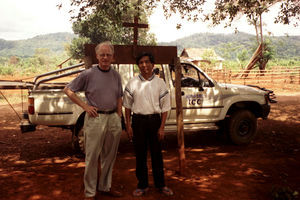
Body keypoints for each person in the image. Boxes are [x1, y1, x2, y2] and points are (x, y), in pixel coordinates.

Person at [64, 41, 123, 200]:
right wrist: (85, 106)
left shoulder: (116, 75)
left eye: (108, 55)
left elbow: (119, 96)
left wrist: (118, 115)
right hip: (95, 118)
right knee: (92, 156)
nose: (105, 57)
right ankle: (90, 192)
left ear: (112, 57)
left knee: (109, 156)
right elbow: (68, 89)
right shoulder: (88, 74)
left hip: (113, 119)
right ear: (97, 56)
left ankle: (105, 186)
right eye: (102, 55)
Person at [123, 52, 174, 197]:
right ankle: (142, 185)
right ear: (138, 65)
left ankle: (161, 184)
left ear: (153, 64)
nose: (144, 65)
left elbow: (165, 107)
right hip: (138, 122)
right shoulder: (132, 83)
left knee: (157, 154)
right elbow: (127, 106)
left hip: (155, 121)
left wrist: (162, 127)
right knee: (140, 154)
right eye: (141, 63)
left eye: (147, 62)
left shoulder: (160, 83)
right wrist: (128, 125)